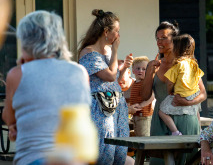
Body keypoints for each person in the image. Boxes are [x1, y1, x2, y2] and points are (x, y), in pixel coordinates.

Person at [2, 10, 92, 165]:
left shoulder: (17, 74)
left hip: (34, 158)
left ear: (26, 42)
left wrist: (14, 126)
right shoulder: (80, 72)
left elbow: (9, 117)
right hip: (75, 158)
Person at [142, 21, 207, 164]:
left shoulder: (189, 63)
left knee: (187, 161)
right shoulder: (153, 65)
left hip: (186, 118)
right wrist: (149, 73)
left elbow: (202, 94)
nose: (159, 42)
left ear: (175, 39)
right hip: (160, 121)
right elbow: (145, 96)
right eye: (157, 38)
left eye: (164, 38)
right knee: (159, 161)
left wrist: (188, 102)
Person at [78, 9, 133, 165]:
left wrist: (122, 68)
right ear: (106, 32)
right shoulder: (88, 52)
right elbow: (109, 75)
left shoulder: (108, 51)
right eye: (117, 31)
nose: (118, 35)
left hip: (117, 105)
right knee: (105, 148)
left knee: (120, 147)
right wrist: (115, 51)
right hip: (101, 108)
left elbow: (113, 77)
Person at [159, 34, 204, 136]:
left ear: (177, 49)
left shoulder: (177, 65)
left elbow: (170, 83)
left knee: (162, 111)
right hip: (194, 95)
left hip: (180, 95)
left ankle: (175, 131)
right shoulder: (194, 64)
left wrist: (170, 91)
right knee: (196, 110)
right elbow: (197, 79)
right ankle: (200, 129)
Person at [129, 56, 155, 137]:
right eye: (138, 68)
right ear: (133, 70)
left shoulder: (146, 82)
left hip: (144, 116)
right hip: (135, 115)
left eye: (144, 69)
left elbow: (151, 97)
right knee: (137, 134)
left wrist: (141, 105)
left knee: (144, 136)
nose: (140, 70)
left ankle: (145, 150)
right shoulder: (134, 82)